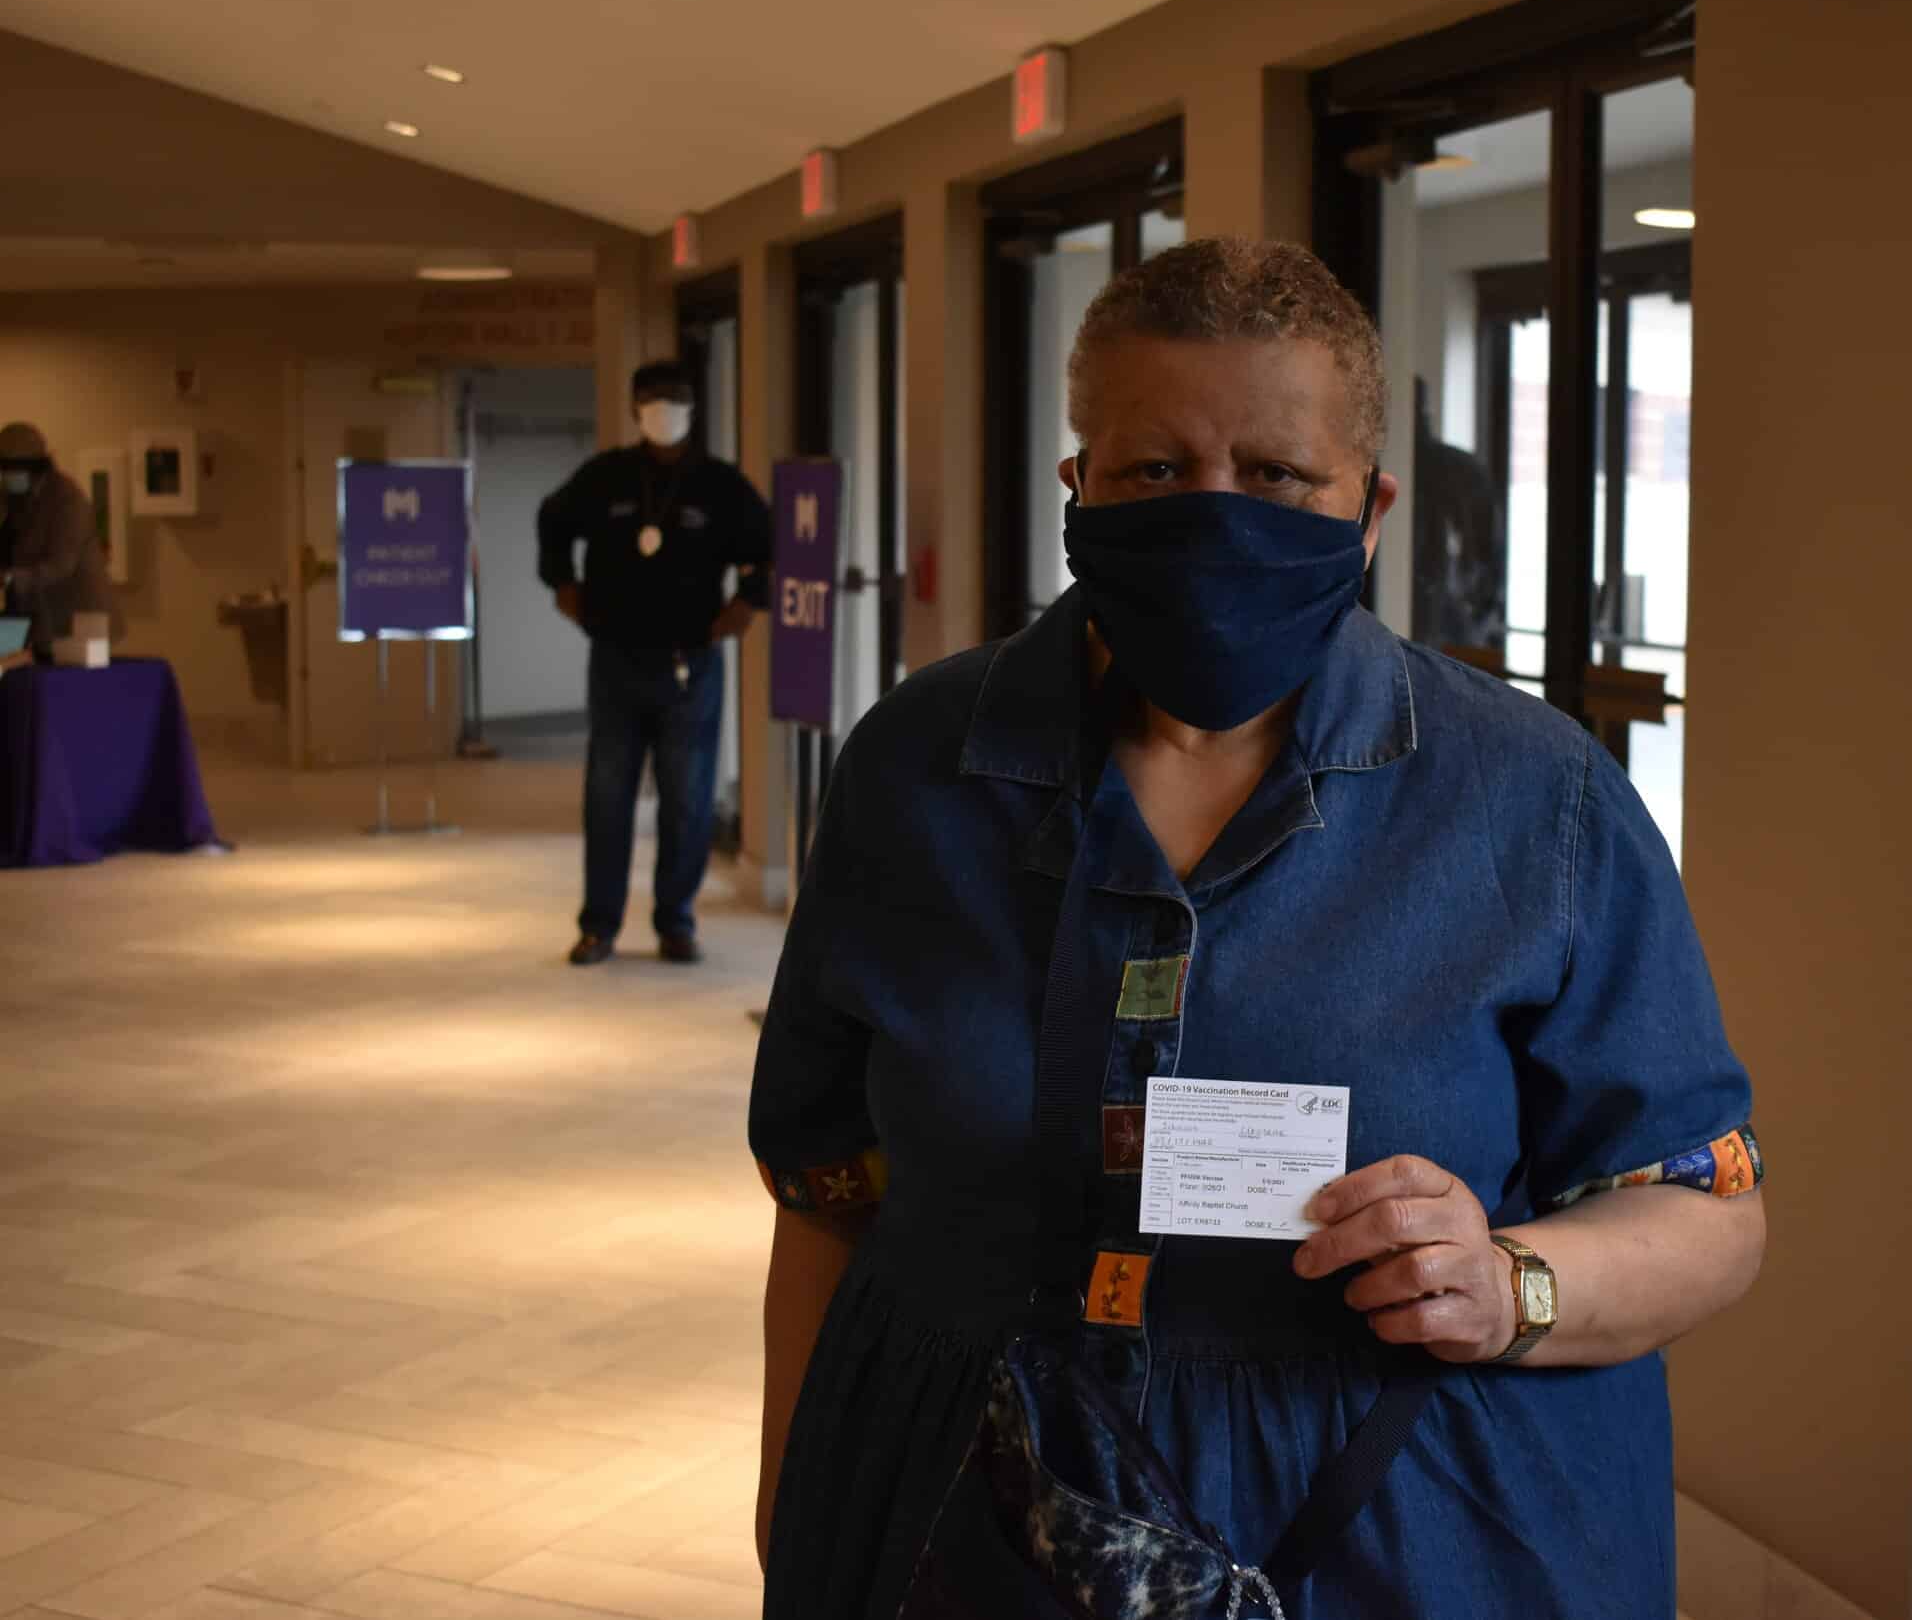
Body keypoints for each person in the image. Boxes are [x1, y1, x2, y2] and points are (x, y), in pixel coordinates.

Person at [747, 239, 1764, 1619]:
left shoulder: (1535, 797)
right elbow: (826, 1193)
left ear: (1371, 504)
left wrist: (1509, 1279)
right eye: (1154, 471)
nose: (1213, 516)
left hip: (1410, 1525)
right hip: (959, 1518)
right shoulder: (917, 766)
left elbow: (1708, 1203)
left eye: (1279, 476)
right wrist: (796, 1503)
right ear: (1077, 488)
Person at [536, 361, 772, 967]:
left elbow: (765, 550)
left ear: (691, 408)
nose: (663, 408)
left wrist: (746, 605)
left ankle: (676, 920)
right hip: (616, 658)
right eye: (652, 399)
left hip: (689, 663)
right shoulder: (608, 476)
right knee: (608, 796)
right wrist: (562, 584)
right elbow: (553, 520)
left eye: (675, 398)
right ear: (636, 407)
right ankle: (600, 925)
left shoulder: (720, 485)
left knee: (689, 799)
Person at [1408, 376, 1506, 652]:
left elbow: (1491, 561)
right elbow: (1493, 564)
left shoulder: (1375, 470)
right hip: (1459, 640)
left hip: (1449, 635)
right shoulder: (1468, 470)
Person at [0, 423, 114, 661]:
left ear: (33, 468)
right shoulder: (17, 499)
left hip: (79, 625)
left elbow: (61, 566)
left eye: (8, 470)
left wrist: (9, 578)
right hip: (36, 618)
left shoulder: (67, 500)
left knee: (66, 691)